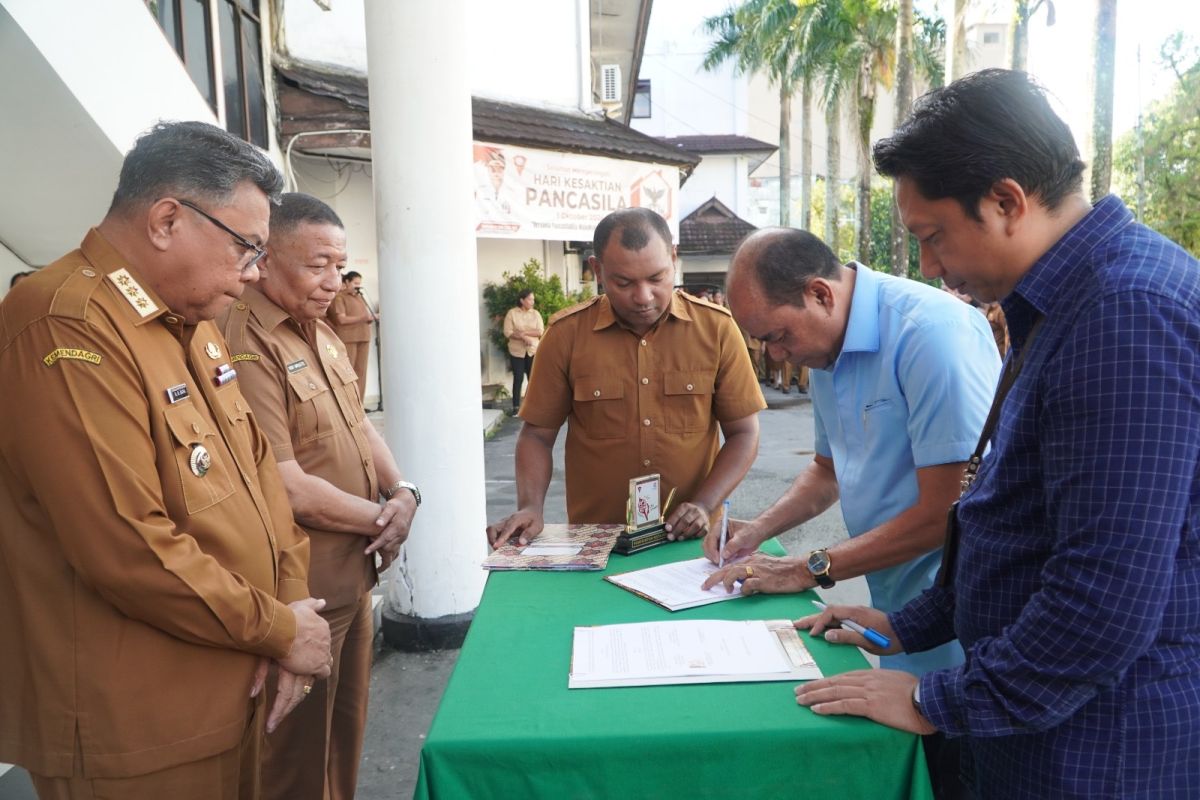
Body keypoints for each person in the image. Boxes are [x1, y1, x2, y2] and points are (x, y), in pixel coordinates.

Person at [795, 69, 1200, 799]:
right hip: (1042, 727)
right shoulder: (1062, 301)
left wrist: (931, 699)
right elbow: (1007, 521)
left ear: (1006, 201)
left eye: (933, 236)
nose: (930, 267)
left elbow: (1102, 596)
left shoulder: (1124, 311)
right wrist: (901, 624)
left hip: (1097, 751)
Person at [0, 121, 332, 799]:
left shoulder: (191, 326)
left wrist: (295, 612)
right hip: (134, 726)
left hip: (230, 693)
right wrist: (278, 629)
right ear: (166, 220)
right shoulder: (66, 323)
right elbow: (124, 545)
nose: (253, 276)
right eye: (247, 248)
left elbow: (262, 480)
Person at [703, 228, 1000, 680]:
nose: (777, 354)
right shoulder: (826, 348)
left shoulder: (931, 334)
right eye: (763, 340)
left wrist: (811, 568)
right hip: (894, 603)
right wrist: (758, 530)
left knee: (948, 740)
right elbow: (829, 470)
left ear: (820, 294)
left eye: (779, 336)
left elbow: (951, 509)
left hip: (959, 610)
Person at [218, 193, 419, 800]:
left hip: (352, 577)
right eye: (317, 265)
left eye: (340, 264)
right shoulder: (245, 340)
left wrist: (405, 492)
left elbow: (358, 426)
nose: (334, 280)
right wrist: (382, 518)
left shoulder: (322, 334)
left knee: (343, 734)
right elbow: (284, 484)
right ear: (267, 256)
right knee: (293, 760)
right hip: (300, 588)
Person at [486, 208, 765, 546]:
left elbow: (744, 433)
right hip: (599, 541)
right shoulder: (566, 336)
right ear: (597, 270)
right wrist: (530, 506)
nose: (643, 297)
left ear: (673, 258)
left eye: (657, 278)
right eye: (624, 282)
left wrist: (704, 505)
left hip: (690, 539)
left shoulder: (717, 329)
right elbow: (536, 437)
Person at [328, 270, 376, 388]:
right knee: (348, 372)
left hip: (363, 336)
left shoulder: (360, 297)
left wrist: (370, 318)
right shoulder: (339, 297)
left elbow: (364, 317)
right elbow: (341, 320)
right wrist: (363, 317)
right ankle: (349, 404)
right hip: (348, 338)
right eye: (355, 283)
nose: (358, 286)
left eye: (359, 283)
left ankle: (360, 404)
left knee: (361, 372)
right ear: (347, 282)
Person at [502, 288, 544, 413]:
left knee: (533, 379)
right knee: (518, 377)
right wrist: (523, 337)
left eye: (533, 299)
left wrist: (523, 333)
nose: (532, 302)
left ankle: (534, 406)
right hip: (516, 351)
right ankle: (516, 407)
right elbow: (508, 332)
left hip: (533, 350)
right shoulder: (512, 313)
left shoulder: (536, 314)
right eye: (530, 299)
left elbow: (540, 331)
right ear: (522, 300)